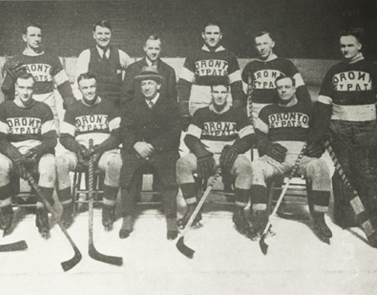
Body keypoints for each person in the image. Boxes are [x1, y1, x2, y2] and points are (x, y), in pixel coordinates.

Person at [250, 75, 332, 242]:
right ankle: (260, 216)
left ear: (295, 88)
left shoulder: (308, 108)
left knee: (321, 166)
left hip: (302, 157)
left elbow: (321, 132)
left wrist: (318, 146)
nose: (283, 90)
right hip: (275, 158)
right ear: (276, 89)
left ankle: (319, 218)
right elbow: (258, 136)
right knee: (255, 167)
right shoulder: (267, 110)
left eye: (287, 87)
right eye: (280, 87)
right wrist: (267, 146)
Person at [315, 28, 377, 245]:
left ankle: (372, 218)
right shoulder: (334, 71)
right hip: (339, 129)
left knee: (367, 173)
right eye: (342, 46)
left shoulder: (372, 68)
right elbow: (323, 104)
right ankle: (345, 217)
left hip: (366, 130)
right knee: (342, 173)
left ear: (359, 46)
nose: (346, 49)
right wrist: (319, 130)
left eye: (350, 45)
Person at [176, 80, 255, 236]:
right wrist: (201, 152)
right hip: (206, 155)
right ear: (211, 94)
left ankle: (239, 212)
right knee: (182, 164)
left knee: (246, 167)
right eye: (216, 92)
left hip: (231, 155)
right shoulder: (201, 113)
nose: (219, 96)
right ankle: (193, 209)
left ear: (228, 94)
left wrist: (235, 148)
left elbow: (250, 137)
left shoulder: (238, 113)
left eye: (223, 92)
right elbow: (190, 137)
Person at [118, 66, 182, 240]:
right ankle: (128, 216)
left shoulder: (171, 105)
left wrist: (152, 146)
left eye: (150, 83)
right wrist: (136, 144)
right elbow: (125, 129)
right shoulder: (132, 105)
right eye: (143, 83)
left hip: (162, 150)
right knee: (128, 169)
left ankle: (171, 217)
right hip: (137, 149)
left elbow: (174, 133)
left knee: (168, 171)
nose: (146, 87)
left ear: (159, 85)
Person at [0, 73, 57, 237]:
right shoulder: (4, 108)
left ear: (34, 88)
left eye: (29, 88)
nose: (25, 92)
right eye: (21, 87)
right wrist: (14, 155)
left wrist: (37, 151)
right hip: (12, 149)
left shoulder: (43, 108)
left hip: (36, 150)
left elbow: (50, 139)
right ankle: (6, 210)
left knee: (49, 164)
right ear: (16, 88)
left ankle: (41, 212)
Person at [56, 72, 121, 230]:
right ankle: (67, 209)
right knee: (60, 162)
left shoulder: (109, 106)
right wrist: (78, 148)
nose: (90, 91)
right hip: (81, 152)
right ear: (79, 89)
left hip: (103, 151)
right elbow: (65, 137)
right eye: (85, 88)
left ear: (97, 86)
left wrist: (100, 148)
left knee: (115, 162)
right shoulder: (73, 108)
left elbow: (118, 135)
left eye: (92, 86)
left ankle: (108, 208)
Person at [1, 21, 75, 132]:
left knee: (50, 138)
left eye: (39, 35)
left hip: (47, 106)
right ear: (24, 37)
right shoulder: (16, 61)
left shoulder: (51, 59)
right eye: (32, 35)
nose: (37, 39)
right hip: (24, 107)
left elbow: (63, 84)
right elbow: (7, 90)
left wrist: (69, 99)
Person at [177, 21, 246, 128]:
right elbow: (183, 84)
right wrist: (184, 111)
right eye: (209, 33)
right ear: (203, 35)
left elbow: (236, 85)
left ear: (221, 36)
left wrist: (236, 108)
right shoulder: (194, 56)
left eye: (216, 33)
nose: (212, 37)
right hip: (199, 102)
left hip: (222, 103)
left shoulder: (229, 56)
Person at [242, 31, 311, 121]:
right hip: (256, 112)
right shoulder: (250, 66)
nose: (262, 48)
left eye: (265, 43)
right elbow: (242, 93)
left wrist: (308, 111)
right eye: (258, 44)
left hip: (279, 111)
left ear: (272, 44)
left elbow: (301, 89)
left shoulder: (285, 64)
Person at [75, 20, 132, 105]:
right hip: (95, 106)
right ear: (94, 35)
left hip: (116, 106)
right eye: (100, 33)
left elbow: (130, 81)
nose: (104, 37)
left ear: (111, 34)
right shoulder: (86, 55)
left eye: (107, 33)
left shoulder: (122, 56)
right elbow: (78, 85)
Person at [122, 34, 177, 103]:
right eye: (150, 48)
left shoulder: (169, 71)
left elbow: (172, 100)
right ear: (144, 48)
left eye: (156, 49)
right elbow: (125, 98)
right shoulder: (133, 69)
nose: (153, 52)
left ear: (161, 49)